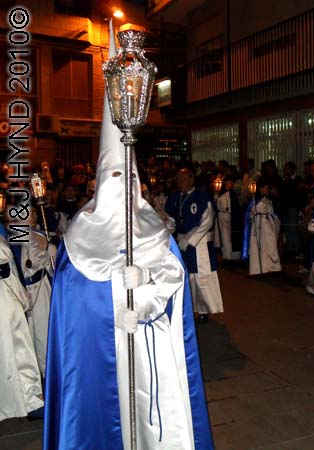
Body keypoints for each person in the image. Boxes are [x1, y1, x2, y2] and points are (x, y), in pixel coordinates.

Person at [43, 24, 214, 450]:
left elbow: (174, 279)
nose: (120, 182)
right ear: (101, 179)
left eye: (126, 175)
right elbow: (72, 299)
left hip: (150, 354)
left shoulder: (153, 227)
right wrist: (119, 294)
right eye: (112, 175)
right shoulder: (80, 232)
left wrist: (146, 296)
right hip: (102, 358)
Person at [165, 168, 224, 322]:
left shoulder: (202, 196)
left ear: (191, 180)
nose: (180, 182)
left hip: (200, 243)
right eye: (178, 179)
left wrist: (190, 240)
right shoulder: (174, 197)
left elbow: (207, 221)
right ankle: (186, 310)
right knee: (185, 276)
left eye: (183, 179)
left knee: (200, 278)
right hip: (180, 243)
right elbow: (171, 219)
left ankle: (203, 311)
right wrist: (169, 232)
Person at [0, 222, 44, 421]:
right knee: (15, 350)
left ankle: (29, 399)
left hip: (9, 293)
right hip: (5, 298)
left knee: (16, 350)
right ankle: (26, 401)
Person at [11, 207, 56, 374]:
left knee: (43, 331)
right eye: (30, 213)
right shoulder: (13, 238)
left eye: (34, 213)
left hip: (41, 290)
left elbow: (53, 269)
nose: (34, 215)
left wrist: (53, 256)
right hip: (23, 291)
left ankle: (47, 371)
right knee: (26, 335)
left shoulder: (41, 237)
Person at [243, 178, 281, 275]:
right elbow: (251, 212)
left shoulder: (269, 200)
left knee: (270, 245)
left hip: (268, 226)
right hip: (260, 225)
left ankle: (271, 267)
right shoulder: (255, 200)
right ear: (261, 189)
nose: (268, 190)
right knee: (260, 247)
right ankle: (259, 268)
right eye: (266, 188)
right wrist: (255, 209)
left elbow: (273, 212)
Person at [214, 175, 243, 261]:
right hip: (223, 215)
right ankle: (227, 256)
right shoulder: (221, 192)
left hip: (232, 216)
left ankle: (233, 256)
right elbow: (216, 204)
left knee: (231, 236)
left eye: (232, 182)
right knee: (225, 236)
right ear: (225, 182)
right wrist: (216, 194)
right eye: (229, 182)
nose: (231, 183)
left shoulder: (233, 193)